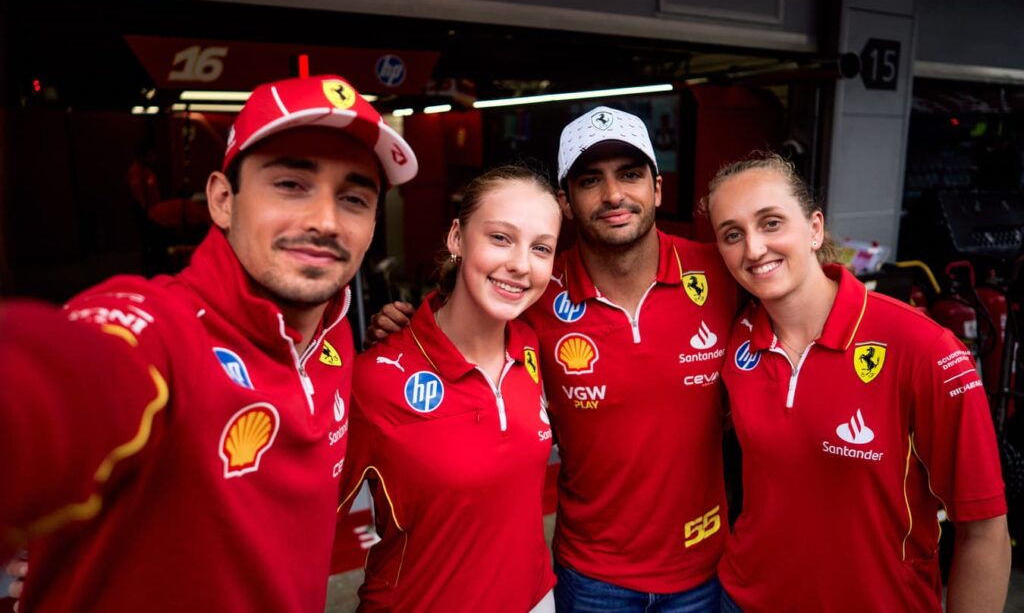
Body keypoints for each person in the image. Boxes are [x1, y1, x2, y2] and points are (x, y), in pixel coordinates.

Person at [0, 74, 418, 611]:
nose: (325, 222)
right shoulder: (161, 328)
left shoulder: (331, 327)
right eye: (291, 184)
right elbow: (56, 383)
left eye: (354, 198)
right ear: (222, 200)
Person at [370, 106, 738, 611]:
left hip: (704, 568)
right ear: (566, 202)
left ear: (656, 187)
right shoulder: (534, 293)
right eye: (591, 180)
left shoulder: (720, 273)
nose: (613, 195)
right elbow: (462, 326)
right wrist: (403, 328)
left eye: (630, 175)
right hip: (590, 578)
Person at [704, 153, 1010, 612]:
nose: (752, 249)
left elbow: (985, 532)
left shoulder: (924, 348)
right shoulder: (736, 341)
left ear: (814, 228)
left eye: (771, 223)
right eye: (732, 234)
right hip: (743, 600)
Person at [341, 165, 561, 611]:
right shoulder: (374, 378)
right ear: (457, 238)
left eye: (541, 248)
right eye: (500, 237)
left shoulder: (530, 347)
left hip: (535, 599)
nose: (521, 264)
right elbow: (288, 537)